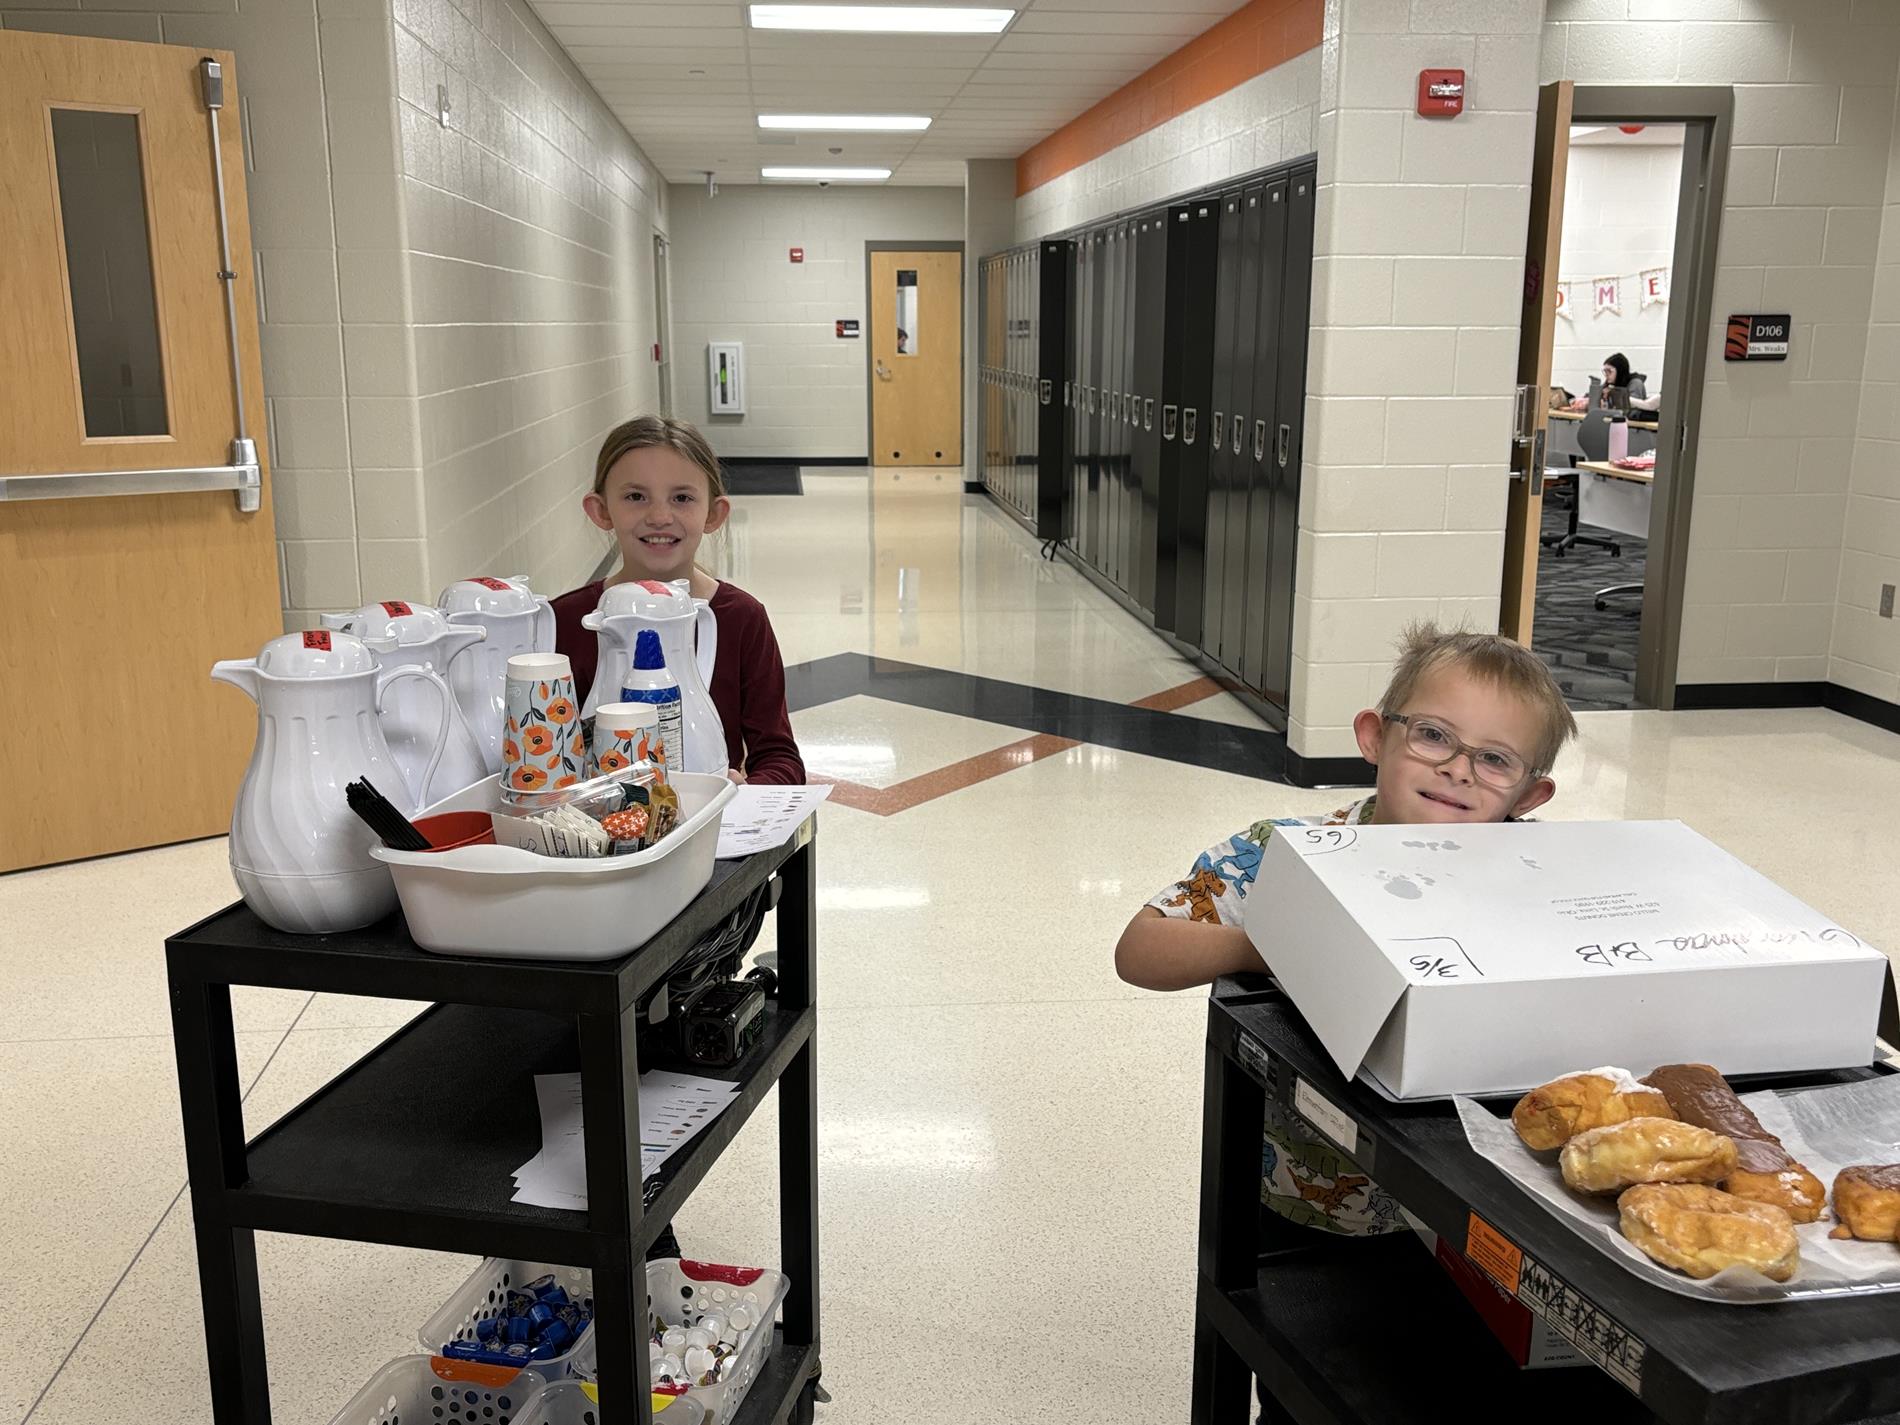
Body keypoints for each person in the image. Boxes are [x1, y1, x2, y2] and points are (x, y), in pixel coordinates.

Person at [1115, 624, 1577, 1416]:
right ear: (1374, 736)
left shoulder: (1544, 879)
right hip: (1312, 1212)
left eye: (1495, 759)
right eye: (1433, 735)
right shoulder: (1287, 853)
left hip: (1481, 1221)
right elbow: (1140, 948)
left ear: (1530, 795)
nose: (1457, 770)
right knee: (1308, 1388)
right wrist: (1272, 943)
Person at [552, 415, 805, 785]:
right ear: (601, 510)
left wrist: (744, 793)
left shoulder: (741, 619)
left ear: (713, 513)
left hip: (712, 831)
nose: (659, 516)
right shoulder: (568, 620)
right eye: (635, 497)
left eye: (682, 498)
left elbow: (780, 758)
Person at [1569, 352, 1661, 413]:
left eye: (1609, 371)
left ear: (1620, 371)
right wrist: (1581, 400)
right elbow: (1593, 396)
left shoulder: (1635, 383)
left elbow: (1629, 406)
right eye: (1605, 371)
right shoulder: (1610, 383)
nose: (1606, 375)